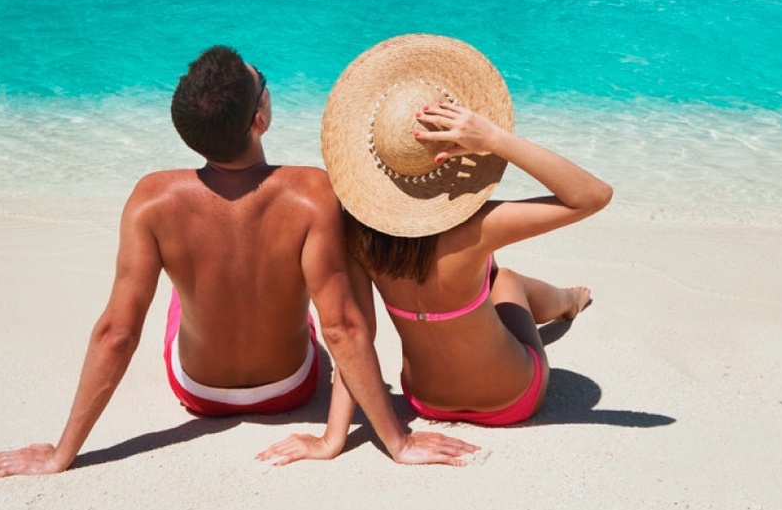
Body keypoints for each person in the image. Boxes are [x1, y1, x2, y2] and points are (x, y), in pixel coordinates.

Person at [0, 46, 476, 478]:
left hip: (198, 391)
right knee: (298, 292)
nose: (264, 84)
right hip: (290, 388)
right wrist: (398, 441)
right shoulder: (313, 191)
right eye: (264, 84)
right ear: (259, 120)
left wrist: (63, 453)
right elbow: (342, 327)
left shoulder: (151, 198)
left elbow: (117, 334)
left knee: (181, 289)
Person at [258, 35, 608, 465]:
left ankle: (566, 301)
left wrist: (332, 439)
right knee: (508, 279)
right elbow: (592, 196)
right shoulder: (477, 227)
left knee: (491, 279)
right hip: (514, 398)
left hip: (424, 401)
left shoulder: (355, 234)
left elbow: (353, 335)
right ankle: (569, 302)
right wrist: (497, 139)